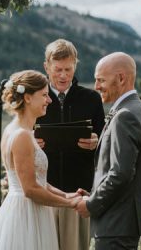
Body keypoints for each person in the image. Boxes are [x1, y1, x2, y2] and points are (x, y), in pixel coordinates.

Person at [0, 70, 81, 250]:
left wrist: (65, 194)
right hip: (26, 216)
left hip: (30, 210)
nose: (49, 100)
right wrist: (69, 204)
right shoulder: (22, 136)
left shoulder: (18, 130)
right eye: (45, 95)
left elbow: (37, 181)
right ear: (28, 98)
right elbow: (31, 189)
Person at [75, 52, 141, 250]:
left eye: (101, 80)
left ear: (121, 78)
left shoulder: (125, 116)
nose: (96, 86)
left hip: (116, 224)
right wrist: (92, 193)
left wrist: (91, 204)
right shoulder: (137, 109)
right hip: (120, 224)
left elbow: (121, 173)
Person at [37, 39, 105, 250]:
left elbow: (105, 148)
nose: (64, 75)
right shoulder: (34, 98)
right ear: (46, 66)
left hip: (78, 194)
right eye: (58, 69)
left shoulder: (92, 99)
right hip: (43, 193)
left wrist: (97, 143)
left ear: (76, 65)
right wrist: (29, 141)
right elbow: (19, 135)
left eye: (68, 69)